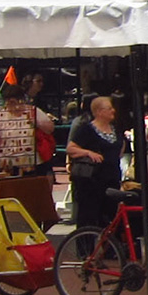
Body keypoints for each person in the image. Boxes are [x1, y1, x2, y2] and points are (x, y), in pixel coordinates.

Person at [65, 96, 124, 231]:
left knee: (109, 216)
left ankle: (110, 249)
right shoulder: (86, 130)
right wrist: (88, 153)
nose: (113, 111)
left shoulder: (116, 129)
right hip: (91, 181)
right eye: (109, 108)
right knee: (89, 216)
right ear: (99, 112)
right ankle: (86, 249)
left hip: (112, 178)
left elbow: (120, 147)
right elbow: (71, 148)